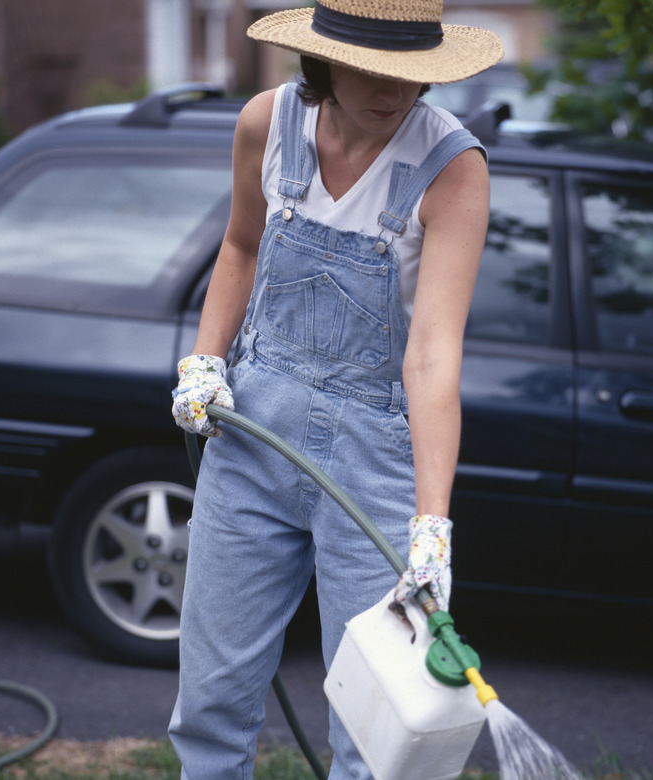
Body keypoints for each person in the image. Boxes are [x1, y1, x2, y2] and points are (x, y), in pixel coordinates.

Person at [168, 1, 503, 777]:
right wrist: (204, 360)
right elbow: (241, 246)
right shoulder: (266, 121)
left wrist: (431, 525)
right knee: (211, 702)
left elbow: (432, 352)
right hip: (254, 431)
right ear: (324, 57)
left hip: (374, 458)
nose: (395, 91)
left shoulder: (452, 167)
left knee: (373, 728)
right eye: (374, 69)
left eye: (412, 72)